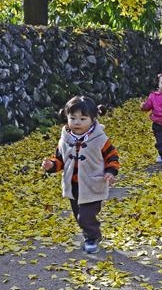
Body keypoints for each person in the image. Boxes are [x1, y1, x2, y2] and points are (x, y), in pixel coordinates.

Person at [41, 95, 119, 254]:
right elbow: (59, 159)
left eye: (83, 118)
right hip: (73, 185)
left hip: (92, 185)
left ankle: (93, 237)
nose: (77, 122)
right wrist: (51, 165)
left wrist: (110, 172)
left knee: (85, 216)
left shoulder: (100, 139)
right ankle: (90, 234)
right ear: (66, 117)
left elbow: (112, 157)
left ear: (92, 119)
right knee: (78, 215)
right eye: (73, 118)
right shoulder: (65, 139)